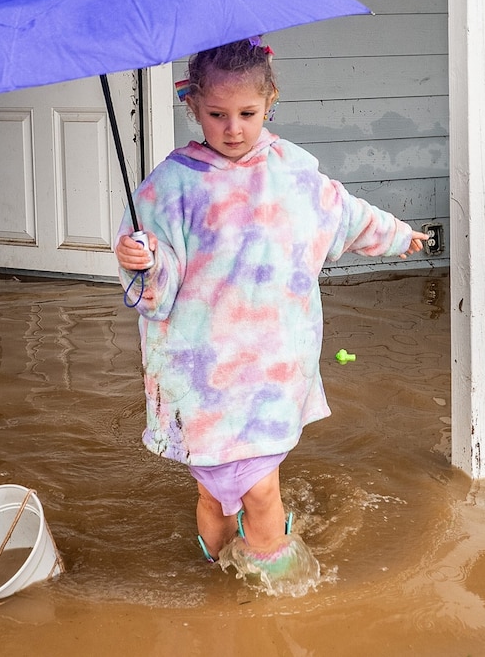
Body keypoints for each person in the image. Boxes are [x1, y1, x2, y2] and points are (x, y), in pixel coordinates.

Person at [114, 36, 427, 592]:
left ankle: (279, 595)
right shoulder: (171, 186)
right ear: (192, 106)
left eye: (246, 114)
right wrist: (140, 258)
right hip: (201, 374)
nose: (232, 128)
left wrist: (401, 235)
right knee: (211, 490)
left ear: (270, 101)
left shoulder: (294, 172)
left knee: (260, 489)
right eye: (216, 115)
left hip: (269, 368)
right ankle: (218, 577)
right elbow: (154, 287)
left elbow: (347, 216)